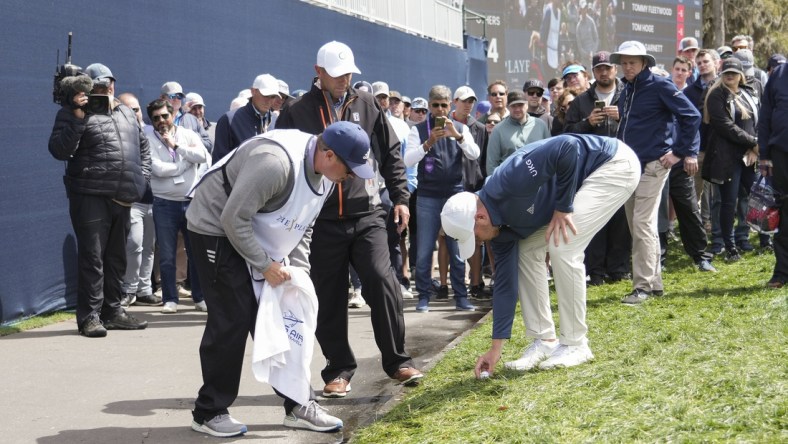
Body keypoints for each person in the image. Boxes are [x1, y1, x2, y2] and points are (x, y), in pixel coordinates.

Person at [186, 121, 369, 436]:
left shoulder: (327, 175)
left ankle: (298, 404)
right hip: (214, 227)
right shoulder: (276, 163)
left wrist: (298, 273)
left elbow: (303, 224)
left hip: (253, 230)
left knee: (285, 319)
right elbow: (233, 218)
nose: (350, 177)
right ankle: (209, 411)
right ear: (328, 154)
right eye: (349, 170)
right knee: (233, 317)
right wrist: (264, 264)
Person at [275, 41, 423, 399]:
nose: (345, 80)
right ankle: (339, 369)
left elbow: (389, 153)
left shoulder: (368, 103)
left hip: (367, 213)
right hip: (319, 220)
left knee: (381, 280)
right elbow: (282, 157)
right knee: (328, 295)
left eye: (349, 74)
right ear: (319, 72)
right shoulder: (297, 110)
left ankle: (397, 361)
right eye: (338, 74)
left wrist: (400, 198)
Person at [440, 135, 639, 376]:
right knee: (527, 250)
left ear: (480, 218)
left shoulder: (509, 181)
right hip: (588, 177)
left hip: (615, 164)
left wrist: (563, 208)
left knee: (563, 244)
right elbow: (504, 285)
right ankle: (544, 341)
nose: (479, 242)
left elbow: (567, 147)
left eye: (475, 237)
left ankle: (576, 344)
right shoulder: (498, 230)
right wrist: (495, 348)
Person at [48, 63, 150, 337]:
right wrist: (79, 117)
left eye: (109, 82)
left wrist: (143, 178)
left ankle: (113, 312)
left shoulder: (127, 112)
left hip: (124, 197)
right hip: (90, 195)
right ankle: (89, 317)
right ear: (87, 87)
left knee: (117, 259)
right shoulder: (72, 112)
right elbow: (59, 150)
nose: (107, 88)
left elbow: (143, 147)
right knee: (93, 258)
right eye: (100, 84)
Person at [613, 40, 701, 304]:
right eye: (624, 62)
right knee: (639, 225)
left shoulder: (659, 85)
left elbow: (692, 116)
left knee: (642, 224)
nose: (627, 67)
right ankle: (654, 283)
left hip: (654, 165)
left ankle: (642, 287)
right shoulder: (627, 89)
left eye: (632, 62)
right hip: (629, 166)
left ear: (644, 63)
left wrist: (678, 151)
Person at [404, 85, 480, 312]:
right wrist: (428, 143)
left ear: (450, 105)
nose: (439, 110)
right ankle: (423, 297)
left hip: (455, 196)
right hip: (427, 197)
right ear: (429, 106)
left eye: (443, 105)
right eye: (435, 105)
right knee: (425, 250)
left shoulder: (459, 128)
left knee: (456, 251)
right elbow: (407, 160)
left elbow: (474, 154)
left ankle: (460, 297)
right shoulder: (417, 130)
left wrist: (457, 137)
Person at [564, 51, 632, 284]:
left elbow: (643, 126)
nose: (604, 72)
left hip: (623, 165)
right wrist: (587, 123)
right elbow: (566, 136)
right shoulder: (581, 101)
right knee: (594, 218)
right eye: (599, 68)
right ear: (593, 72)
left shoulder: (628, 95)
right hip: (593, 168)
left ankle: (619, 269)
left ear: (615, 69)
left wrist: (622, 117)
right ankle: (597, 270)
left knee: (621, 220)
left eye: (608, 67)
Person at [145, 99, 211, 313]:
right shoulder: (147, 139)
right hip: (164, 203)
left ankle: (200, 297)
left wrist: (177, 147)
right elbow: (158, 169)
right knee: (166, 255)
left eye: (165, 116)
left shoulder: (187, 135)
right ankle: (170, 299)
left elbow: (203, 156)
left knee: (196, 253)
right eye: (156, 118)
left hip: (191, 202)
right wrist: (184, 164)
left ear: (173, 114)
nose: (161, 121)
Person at [701, 58, 761, 263]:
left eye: (734, 72)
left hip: (748, 156)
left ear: (741, 74)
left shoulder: (748, 93)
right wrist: (752, 142)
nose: (730, 75)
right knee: (729, 201)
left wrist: (754, 147)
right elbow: (725, 126)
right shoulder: (716, 95)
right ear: (721, 73)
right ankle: (730, 247)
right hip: (727, 157)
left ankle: (765, 239)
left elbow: (756, 121)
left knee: (758, 198)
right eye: (727, 72)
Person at [117, 93, 161, 307]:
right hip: (132, 201)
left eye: (136, 109)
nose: (135, 113)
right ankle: (128, 289)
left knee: (149, 247)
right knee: (134, 245)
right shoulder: (119, 132)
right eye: (129, 109)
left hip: (155, 200)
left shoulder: (153, 132)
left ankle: (144, 290)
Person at [758, 62, 788, 288]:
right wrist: (765, 155)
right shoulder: (778, 73)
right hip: (781, 155)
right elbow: (766, 114)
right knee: (783, 213)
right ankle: (781, 273)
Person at [212, 74, 281, 163]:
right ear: (253, 91)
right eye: (265, 95)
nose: (269, 101)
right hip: (238, 176)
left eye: (273, 96)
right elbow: (218, 163)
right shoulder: (229, 120)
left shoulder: (276, 121)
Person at [486, 90, 550, 174]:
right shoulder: (498, 130)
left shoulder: (540, 125)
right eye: (513, 106)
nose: (517, 109)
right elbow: (492, 163)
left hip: (539, 179)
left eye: (520, 105)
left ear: (527, 105)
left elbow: (549, 153)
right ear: (508, 107)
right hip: (510, 181)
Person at [160, 82, 213, 153]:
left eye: (179, 96)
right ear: (162, 98)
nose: (176, 99)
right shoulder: (154, 119)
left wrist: (192, 139)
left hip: (188, 162)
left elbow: (208, 145)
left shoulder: (192, 119)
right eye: (172, 96)